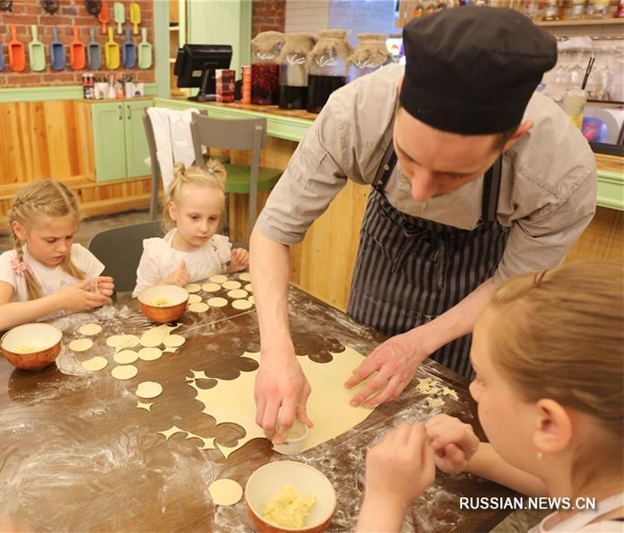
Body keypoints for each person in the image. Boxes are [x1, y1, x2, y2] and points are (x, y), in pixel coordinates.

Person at [250, 6, 598, 441]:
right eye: (409, 159)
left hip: (480, 287)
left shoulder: (559, 174)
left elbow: (514, 284)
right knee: (358, 404)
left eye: (454, 176)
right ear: (399, 94)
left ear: (512, 140)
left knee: (448, 416)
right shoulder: (355, 114)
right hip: (385, 259)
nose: (419, 193)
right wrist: (276, 351)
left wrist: (418, 343)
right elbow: (272, 232)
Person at [355, 261, 623, 532]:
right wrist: (473, 458)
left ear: (548, 424)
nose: (473, 389)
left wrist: (385, 501)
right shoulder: (602, 481)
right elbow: (564, 483)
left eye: (483, 379)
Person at [0, 180, 114, 332]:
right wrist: (61, 301)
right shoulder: (8, 263)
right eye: (51, 240)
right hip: (30, 349)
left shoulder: (79, 255)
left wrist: (97, 298)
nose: (63, 248)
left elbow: (104, 310)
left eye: (69, 237)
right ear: (20, 230)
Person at [133, 162, 249, 296]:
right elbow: (137, 299)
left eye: (212, 218)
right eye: (194, 217)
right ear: (174, 211)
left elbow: (215, 283)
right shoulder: (157, 255)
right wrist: (164, 285)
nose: (205, 228)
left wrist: (233, 268)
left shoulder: (216, 246)